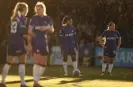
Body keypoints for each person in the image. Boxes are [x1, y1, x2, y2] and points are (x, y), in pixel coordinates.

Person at [0, 2, 29, 87]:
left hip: (11, 42)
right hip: (19, 42)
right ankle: (23, 83)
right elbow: (23, 32)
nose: (27, 10)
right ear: (24, 9)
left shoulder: (13, 17)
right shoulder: (23, 18)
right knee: (22, 63)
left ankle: (2, 82)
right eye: (26, 9)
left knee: (8, 63)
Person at [28, 2, 54, 87]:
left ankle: (36, 81)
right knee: (37, 61)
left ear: (43, 9)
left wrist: (46, 28)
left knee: (43, 64)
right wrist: (35, 38)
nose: (38, 11)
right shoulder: (34, 18)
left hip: (44, 42)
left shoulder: (48, 18)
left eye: (39, 9)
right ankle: (36, 82)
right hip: (37, 42)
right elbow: (29, 31)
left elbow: (52, 29)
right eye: (37, 9)